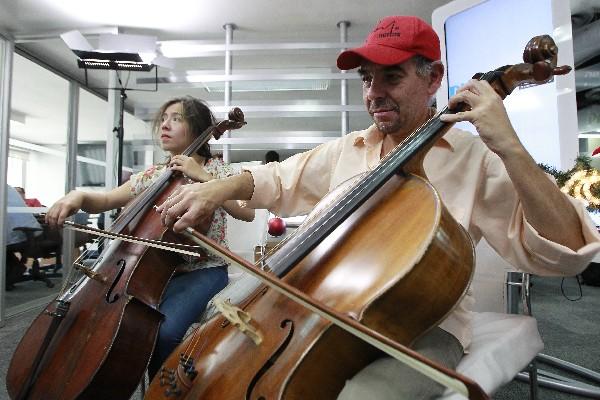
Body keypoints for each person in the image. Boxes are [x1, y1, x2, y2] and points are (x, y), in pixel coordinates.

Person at [155, 16, 600, 399]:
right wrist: (216, 189)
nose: (374, 93)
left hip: (422, 324)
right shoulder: (351, 148)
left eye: (392, 76)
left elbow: (563, 251)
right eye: (368, 79)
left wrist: (510, 147)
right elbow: (279, 177)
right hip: (326, 306)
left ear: (433, 77)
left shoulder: (475, 159)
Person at [45, 95, 255, 379]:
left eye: (176, 119)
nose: (165, 125)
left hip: (203, 269)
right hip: (150, 271)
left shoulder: (219, 170)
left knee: (164, 331)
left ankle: (166, 391)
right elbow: (106, 199)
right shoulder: (154, 174)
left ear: (197, 128)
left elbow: (247, 213)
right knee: (108, 325)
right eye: (164, 119)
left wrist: (204, 178)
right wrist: (79, 195)